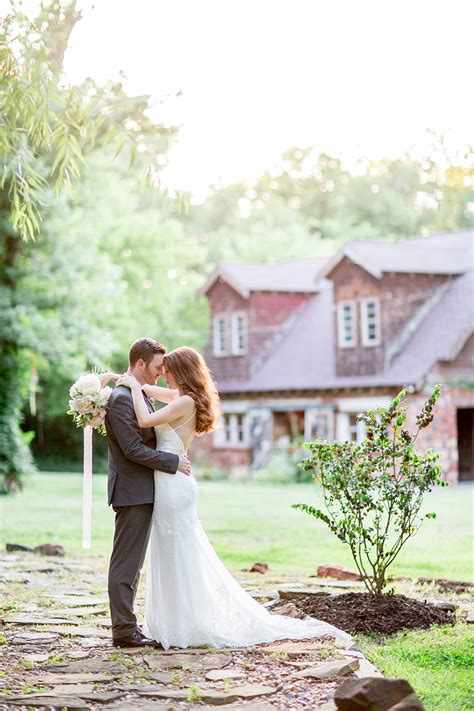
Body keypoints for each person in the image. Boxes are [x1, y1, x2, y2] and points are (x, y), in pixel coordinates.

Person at [115, 345, 350, 649]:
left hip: (172, 485)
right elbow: (150, 391)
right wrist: (127, 380)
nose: (164, 374)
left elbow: (145, 420)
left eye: (169, 369)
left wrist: (133, 386)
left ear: (181, 372)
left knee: (177, 553)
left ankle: (186, 622)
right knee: (174, 552)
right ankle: (175, 620)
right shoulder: (183, 397)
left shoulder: (184, 401)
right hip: (173, 482)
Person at [102, 338, 191, 649]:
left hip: (144, 490)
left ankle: (129, 627)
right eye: (156, 368)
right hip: (132, 491)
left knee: (133, 564)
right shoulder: (122, 398)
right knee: (125, 564)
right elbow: (132, 449)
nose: (160, 373)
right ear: (140, 364)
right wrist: (172, 462)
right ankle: (124, 632)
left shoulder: (135, 393)